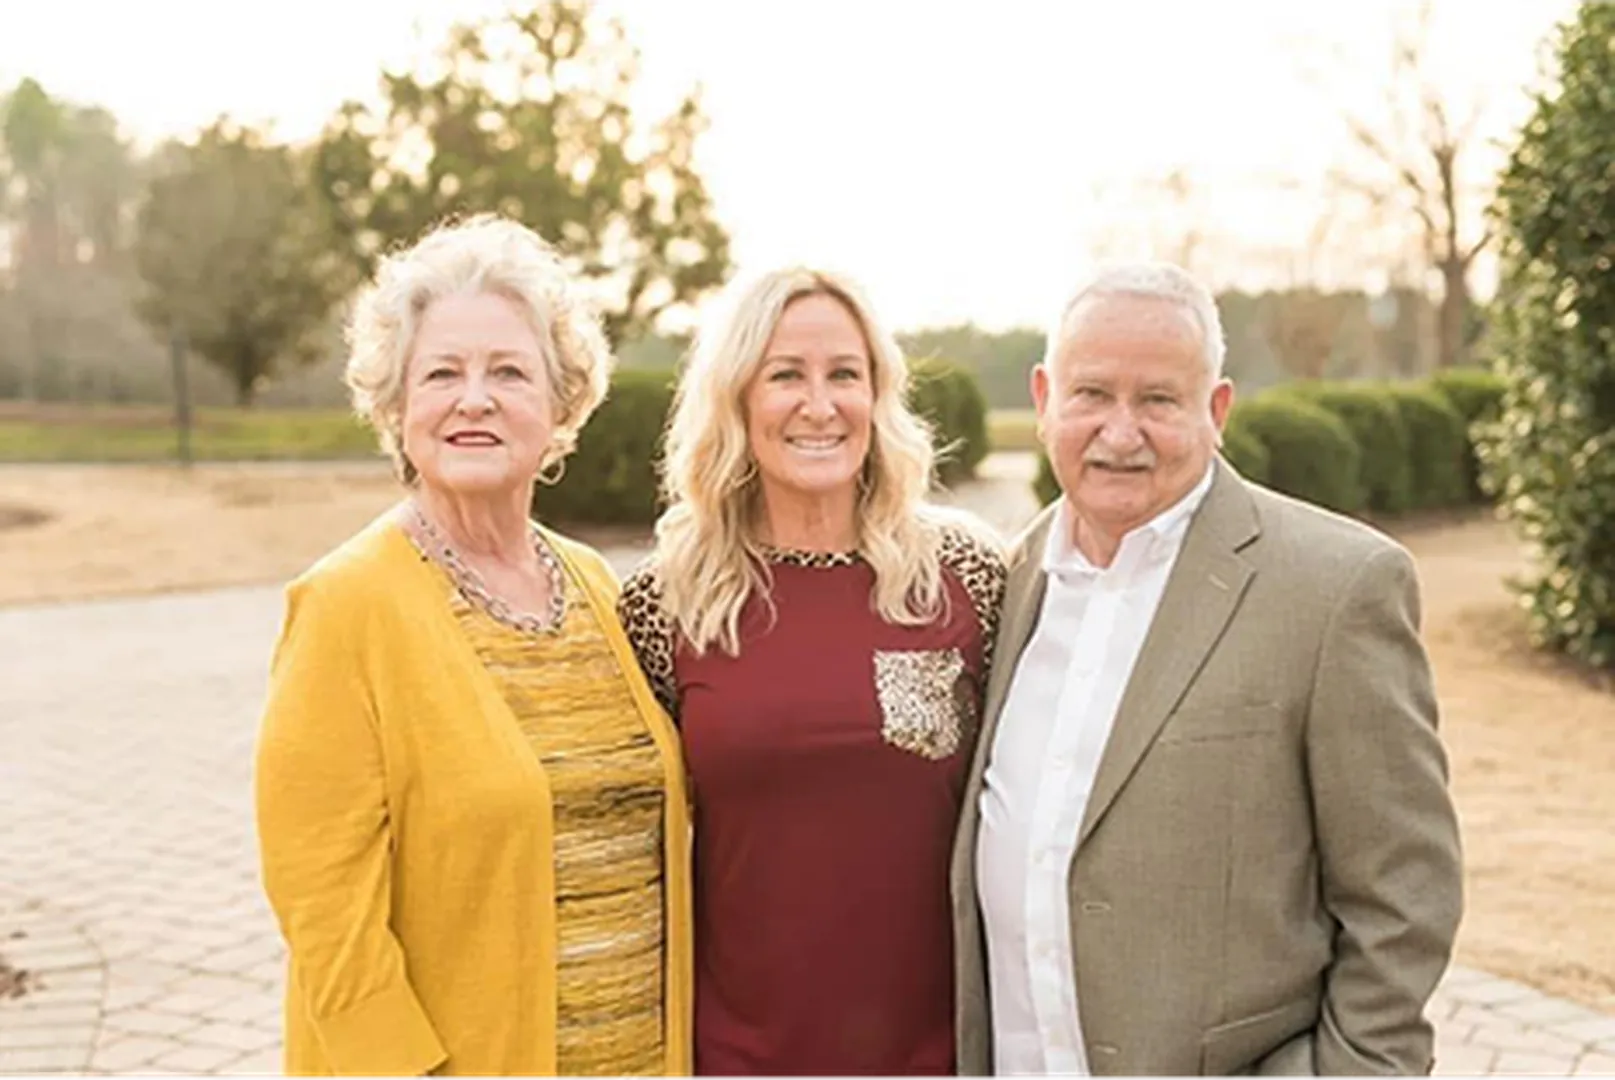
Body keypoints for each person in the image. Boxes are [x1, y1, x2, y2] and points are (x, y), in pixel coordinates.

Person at [950, 263, 1463, 1079]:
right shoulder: (1002, 582)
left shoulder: (1335, 588)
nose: (1120, 432)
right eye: (1091, 394)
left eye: (1157, 399)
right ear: (1044, 399)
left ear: (1215, 410)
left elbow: (1404, 895)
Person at [254, 214, 692, 1080]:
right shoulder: (344, 607)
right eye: (442, 373)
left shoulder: (599, 586)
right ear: (396, 406)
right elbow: (321, 904)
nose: (474, 399)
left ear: (560, 404)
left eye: (508, 372)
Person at [617, 266, 1006, 1079]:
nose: (819, 405)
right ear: (736, 399)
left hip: (941, 1055)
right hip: (737, 1056)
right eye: (786, 375)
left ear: (878, 395)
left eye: (844, 375)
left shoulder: (967, 573)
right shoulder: (668, 600)